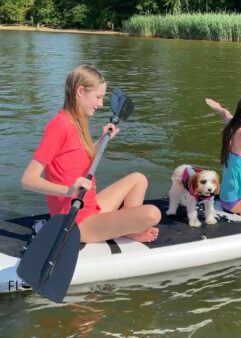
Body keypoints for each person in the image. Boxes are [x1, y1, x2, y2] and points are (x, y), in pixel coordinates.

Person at [21, 64, 160, 243]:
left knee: (139, 179)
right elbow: (28, 179)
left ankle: (127, 228)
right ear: (81, 91)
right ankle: (126, 228)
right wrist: (69, 190)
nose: (101, 104)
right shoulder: (59, 126)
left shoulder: (77, 123)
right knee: (152, 214)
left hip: (90, 206)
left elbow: (77, 160)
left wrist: (102, 140)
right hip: (75, 222)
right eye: (98, 97)